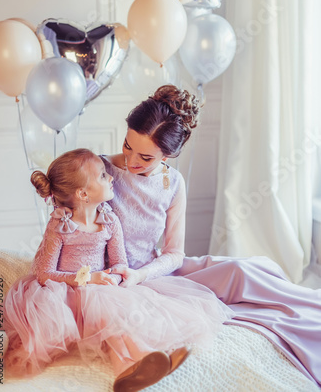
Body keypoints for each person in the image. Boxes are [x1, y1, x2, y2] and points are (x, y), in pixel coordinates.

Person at [101, 84, 321, 387]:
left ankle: (309, 306)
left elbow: (174, 253)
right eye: (127, 146)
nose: (131, 160)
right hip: (113, 275)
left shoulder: (173, 183)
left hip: (150, 270)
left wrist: (142, 275)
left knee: (241, 270)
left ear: (170, 154)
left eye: (146, 157)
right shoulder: (99, 171)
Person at [3, 149, 232, 392]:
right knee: (107, 317)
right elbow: (45, 273)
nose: (111, 177)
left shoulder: (109, 220)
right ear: (82, 193)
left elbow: (119, 261)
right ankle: (129, 366)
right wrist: (88, 279)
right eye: (103, 176)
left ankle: (145, 361)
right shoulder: (60, 225)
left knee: (124, 313)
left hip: (100, 285)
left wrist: (113, 277)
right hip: (66, 293)